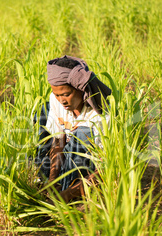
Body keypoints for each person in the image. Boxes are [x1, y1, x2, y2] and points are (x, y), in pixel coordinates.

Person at [35, 55, 111, 203]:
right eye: (57, 95)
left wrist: (68, 194)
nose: (61, 100)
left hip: (88, 168)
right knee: (42, 111)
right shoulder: (56, 100)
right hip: (66, 157)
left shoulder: (100, 115)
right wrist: (52, 178)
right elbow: (58, 140)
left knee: (83, 134)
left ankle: (73, 192)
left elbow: (105, 169)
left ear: (82, 90)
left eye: (66, 94)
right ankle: (45, 181)